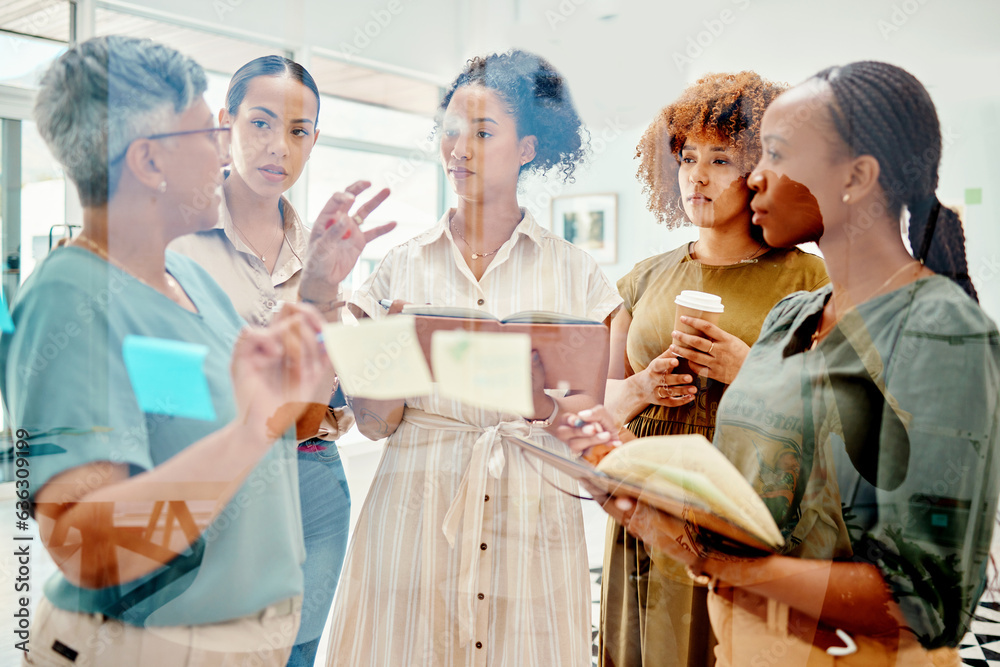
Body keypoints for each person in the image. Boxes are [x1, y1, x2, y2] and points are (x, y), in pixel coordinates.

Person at [564, 61, 1000, 666]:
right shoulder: (793, 317)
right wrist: (646, 501)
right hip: (748, 641)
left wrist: (722, 564)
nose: (754, 179)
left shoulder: (943, 335)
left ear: (856, 177)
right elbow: (766, 510)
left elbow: (924, 599)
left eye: (775, 155)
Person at [3, 36, 379, 666]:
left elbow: (262, 422)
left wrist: (316, 298)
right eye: (209, 133)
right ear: (150, 163)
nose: (224, 150)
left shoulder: (190, 284)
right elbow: (87, 546)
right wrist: (248, 430)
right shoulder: (71, 299)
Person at [325, 50, 622, 666]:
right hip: (414, 509)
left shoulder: (576, 273)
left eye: (483, 133)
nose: (459, 148)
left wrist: (562, 405)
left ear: (527, 149)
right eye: (451, 130)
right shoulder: (400, 266)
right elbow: (374, 419)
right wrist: (402, 349)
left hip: (530, 509)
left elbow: (594, 427)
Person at [169, 55, 393, 667]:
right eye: (261, 123)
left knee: (294, 656)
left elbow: (319, 397)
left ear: (314, 140)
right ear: (225, 124)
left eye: (298, 131)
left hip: (312, 481)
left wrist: (326, 296)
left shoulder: (322, 249)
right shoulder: (173, 238)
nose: (278, 147)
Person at [601, 72, 828, 667]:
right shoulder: (645, 278)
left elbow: (844, 414)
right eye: (687, 157)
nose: (696, 176)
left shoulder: (809, 279)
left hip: (746, 500)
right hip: (647, 496)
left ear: (761, 169)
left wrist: (748, 369)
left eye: (721, 159)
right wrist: (641, 387)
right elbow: (599, 401)